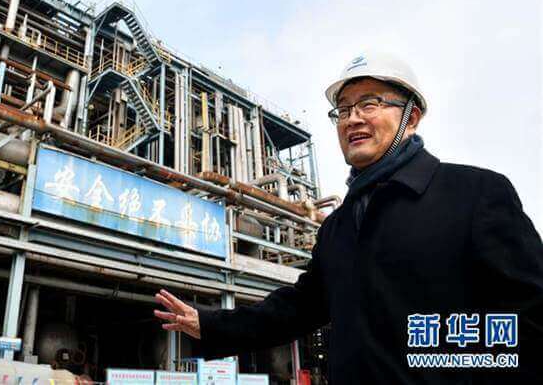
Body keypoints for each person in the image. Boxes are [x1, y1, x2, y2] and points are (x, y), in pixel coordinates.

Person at [153, 51, 543, 384]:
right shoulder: (338, 227)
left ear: (412, 117)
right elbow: (297, 309)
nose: (352, 119)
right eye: (342, 110)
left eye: (369, 104)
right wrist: (211, 323)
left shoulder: (473, 194)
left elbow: (531, 317)